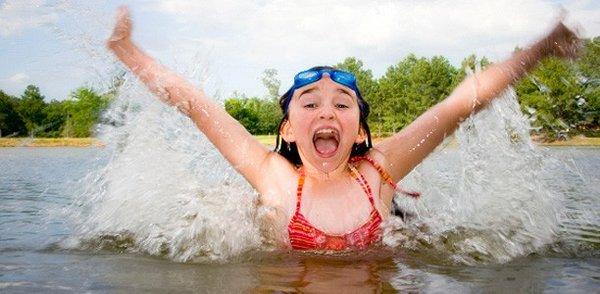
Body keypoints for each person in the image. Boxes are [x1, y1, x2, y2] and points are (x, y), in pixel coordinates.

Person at [107, 7, 580, 251]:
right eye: (309, 104)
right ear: (289, 130)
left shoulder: (380, 167)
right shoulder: (273, 176)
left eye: (342, 103)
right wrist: (128, 52)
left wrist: (539, 49)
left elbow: (461, 103)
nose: (327, 112)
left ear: (358, 132)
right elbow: (195, 104)